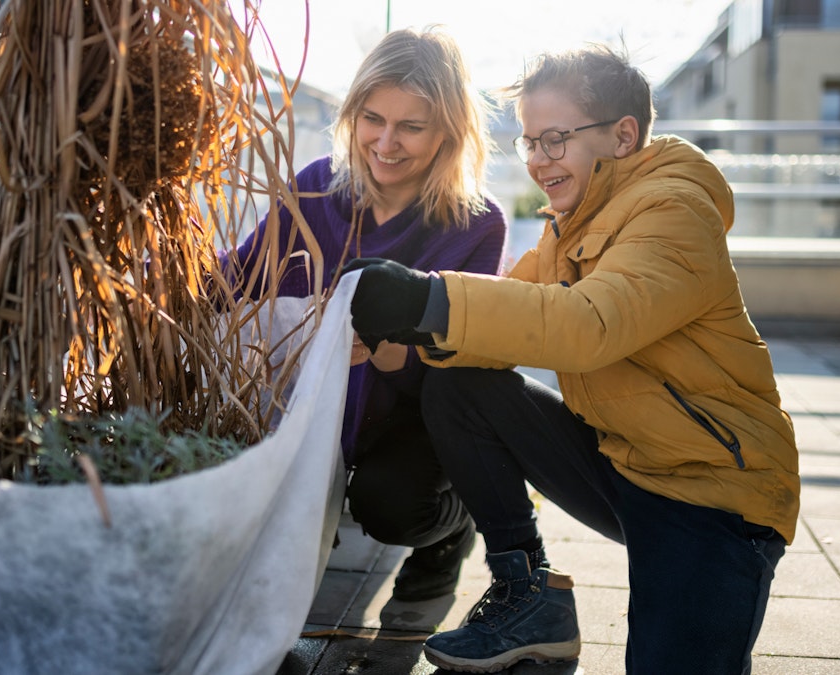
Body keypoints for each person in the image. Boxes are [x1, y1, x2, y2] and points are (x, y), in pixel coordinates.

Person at [343, 44, 800, 674]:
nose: (536, 161)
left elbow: (591, 324)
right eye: (529, 142)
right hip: (622, 467)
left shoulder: (674, 210)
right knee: (462, 383)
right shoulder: (571, 226)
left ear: (623, 135)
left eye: (554, 140)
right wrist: (398, 325)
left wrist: (427, 298)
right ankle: (526, 594)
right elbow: (500, 319)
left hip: (712, 497)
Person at [227, 26, 507, 602]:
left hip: (411, 416)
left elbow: (456, 369)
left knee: (393, 509)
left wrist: (381, 345)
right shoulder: (315, 189)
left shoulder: (477, 224)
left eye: (411, 126)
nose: (385, 142)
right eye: (372, 118)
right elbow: (238, 276)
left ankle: (453, 532)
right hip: (311, 408)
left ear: (448, 133)